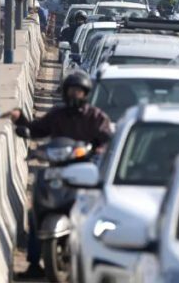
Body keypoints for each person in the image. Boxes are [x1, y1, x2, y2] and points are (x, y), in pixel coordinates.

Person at [7, 70, 113, 280]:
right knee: (36, 212)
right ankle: (34, 263)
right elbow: (37, 129)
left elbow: (108, 139)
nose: (75, 95)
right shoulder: (57, 115)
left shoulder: (96, 117)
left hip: (85, 173)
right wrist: (21, 121)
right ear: (65, 93)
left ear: (86, 94)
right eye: (72, 91)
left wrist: (98, 150)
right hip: (57, 171)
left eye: (79, 92)